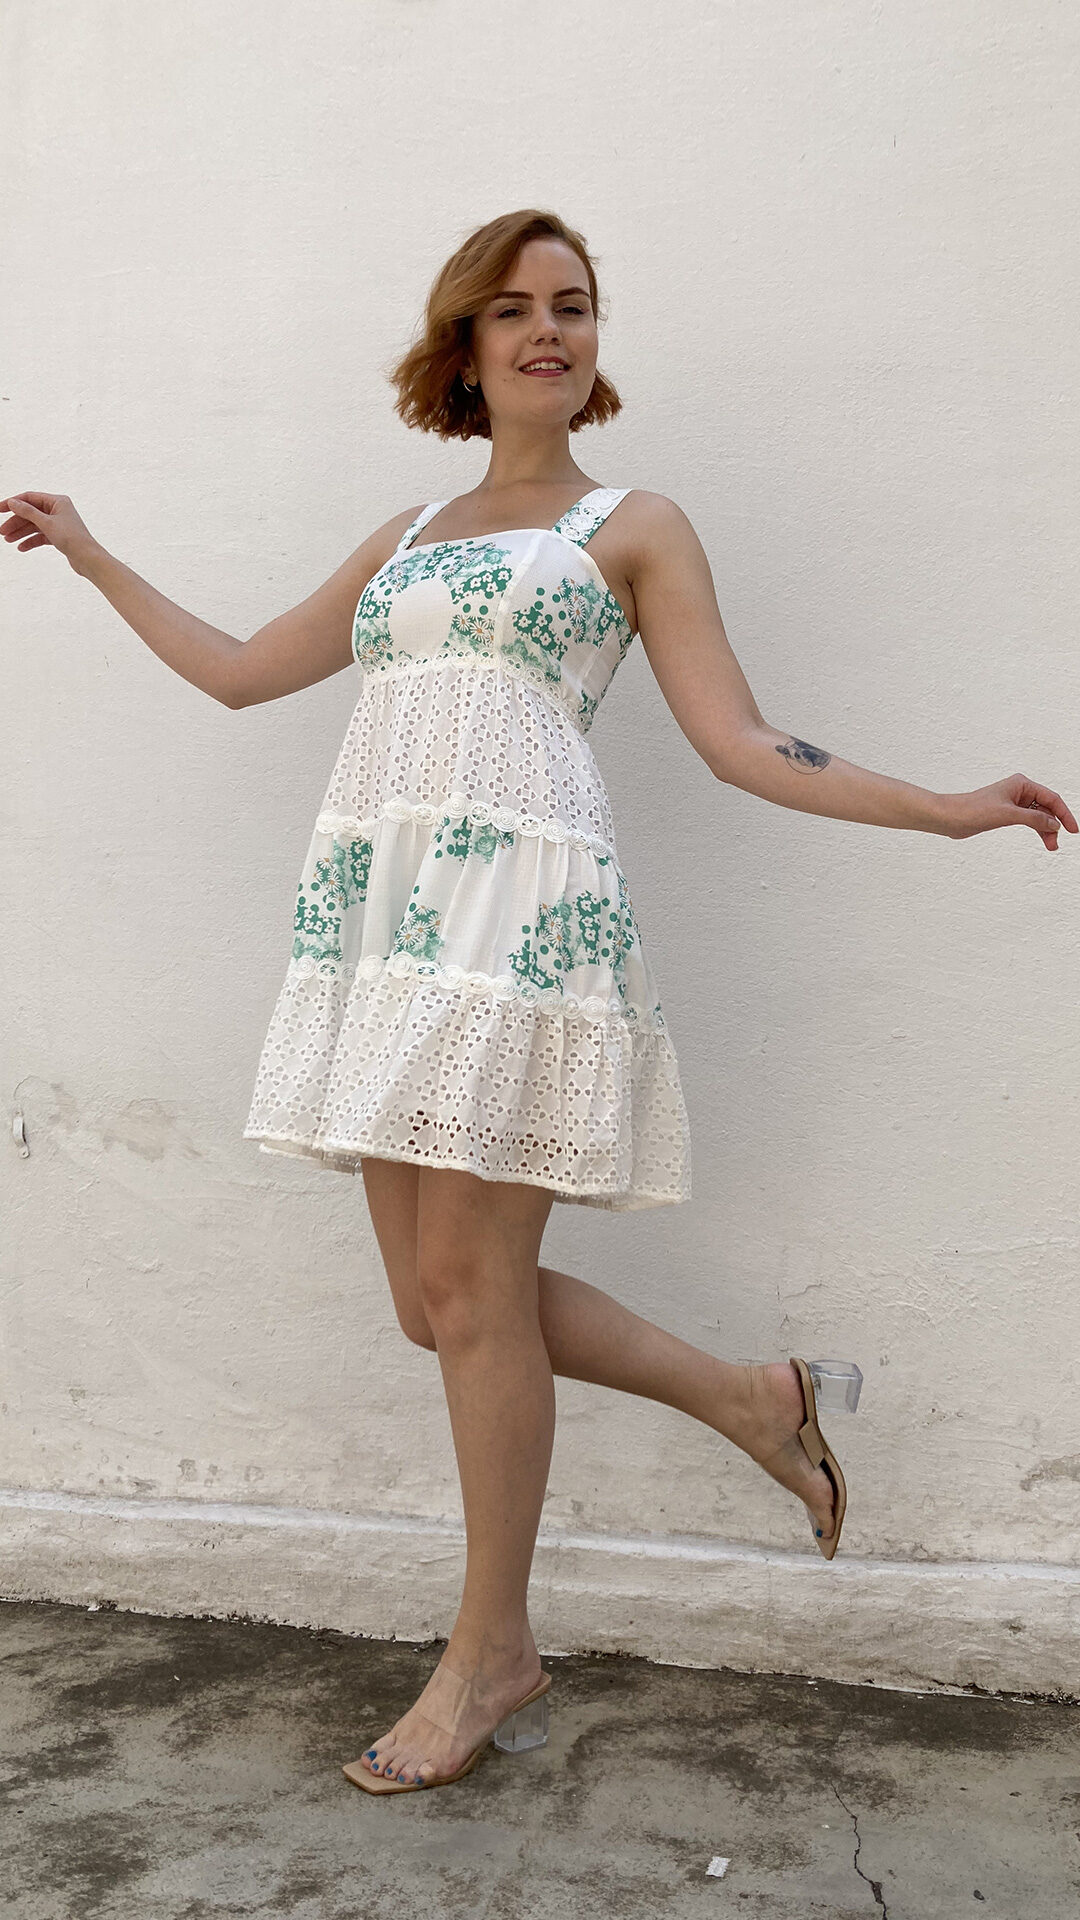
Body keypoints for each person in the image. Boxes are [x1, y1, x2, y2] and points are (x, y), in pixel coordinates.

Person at [2, 207, 1073, 1801]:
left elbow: (739, 740)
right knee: (436, 1302)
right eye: (512, 309)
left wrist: (944, 808)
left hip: (521, 919)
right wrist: (95, 556)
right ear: (466, 346)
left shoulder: (634, 525)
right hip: (386, 925)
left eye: (571, 305)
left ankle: (489, 1650)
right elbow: (239, 671)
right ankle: (751, 1397)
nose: (547, 330)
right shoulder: (409, 530)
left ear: (592, 341)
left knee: (470, 1286)